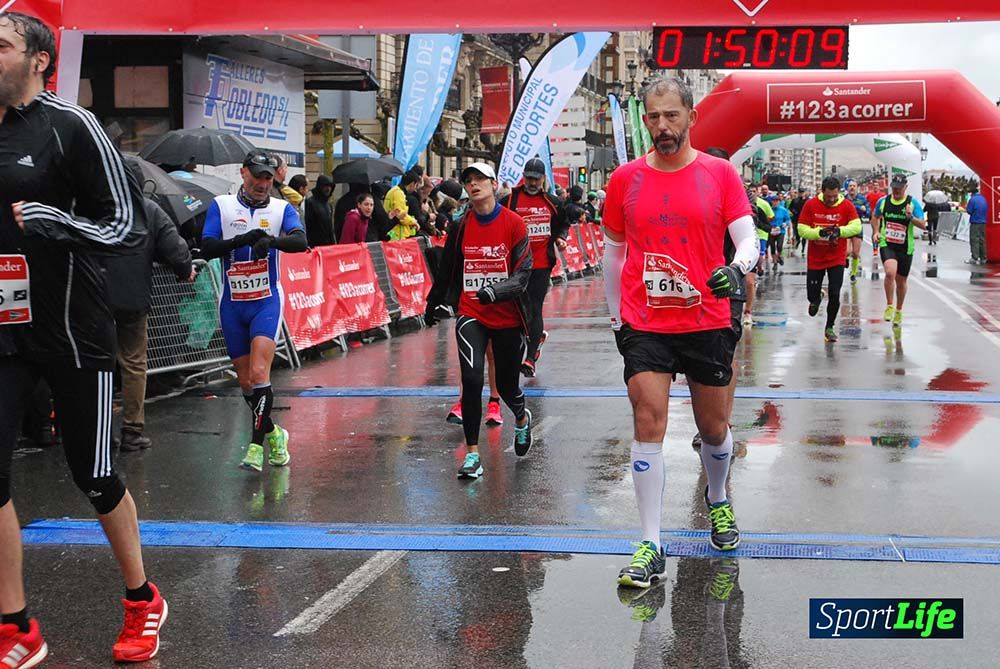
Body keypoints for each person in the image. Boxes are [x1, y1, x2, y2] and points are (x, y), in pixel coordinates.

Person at [0, 12, 167, 665]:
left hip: (72, 328)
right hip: (4, 328)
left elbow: (126, 226)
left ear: (39, 59)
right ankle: (16, 627)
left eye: (2, 46)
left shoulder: (72, 126)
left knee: (93, 473)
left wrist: (56, 222)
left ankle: (142, 597)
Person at [601, 76, 758, 589]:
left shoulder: (720, 173)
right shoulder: (625, 179)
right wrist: (616, 318)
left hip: (706, 318)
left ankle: (718, 498)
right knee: (648, 420)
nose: (662, 126)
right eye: (653, 117)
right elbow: (613, 254)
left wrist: (736, 268)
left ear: (692, 116)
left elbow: (748, 239)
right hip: (645, 321)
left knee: (713, 429)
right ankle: (650, 543)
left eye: (671, 115)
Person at [424, 162, 535, 479]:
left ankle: (521, 417)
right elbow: (447, 269)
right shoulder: (460, 226)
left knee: (507, 386)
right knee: (472, 380)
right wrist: (432, 303)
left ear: (494, 184)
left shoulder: (514, 224)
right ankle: (472, 454)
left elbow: (523, 275)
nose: (473, 185)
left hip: (508, 317)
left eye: (480, 179)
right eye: (468, 180)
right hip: (471, 313)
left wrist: (495, 292)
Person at [200, 150, 307, 472]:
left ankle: (256, 448)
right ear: (243, 173)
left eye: (268, 178)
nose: (262, 184)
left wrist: (272, 242)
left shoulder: (281, 208)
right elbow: (207, 247)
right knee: (247, 382)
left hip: (266, 301)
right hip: (233, 304)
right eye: (257, 177)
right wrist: (240, 241)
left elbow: (300, 241)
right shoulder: (221, 206)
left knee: (260, 374)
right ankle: (274, 433)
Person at [107, 185, 195, 451]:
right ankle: (132, 430)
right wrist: (185, 269)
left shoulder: (95, 205)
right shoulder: (149, 210)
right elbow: (175, 248)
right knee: (134, 364)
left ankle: (101, 432)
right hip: (133, 298)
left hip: (95, 296)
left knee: (99, 365)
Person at [499, 157, 569, 377]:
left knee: (534, 308)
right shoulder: (510, 200)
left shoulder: (553, 202)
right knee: (517, 310)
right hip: (516, 266)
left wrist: (561, 238)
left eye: (536, 179)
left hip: (541, 265)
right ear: (523, 177)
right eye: (529, 178)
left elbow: (563, 224)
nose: (532, 183)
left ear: (543, 179)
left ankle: (530, 358)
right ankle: (534, 339)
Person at [796, 176, 862, 343]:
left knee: (835, 293)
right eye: (828, 196)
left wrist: (840, 231)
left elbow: (857, 226)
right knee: (811, 296)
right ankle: (816, 297)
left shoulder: (846, 205)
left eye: (834, 196)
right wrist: (819, 233)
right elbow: (801, 229)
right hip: (816, 257)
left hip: (836, 257)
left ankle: (829, 327)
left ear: (839, 192)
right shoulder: (811, 204)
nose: (831, 199)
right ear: (822, 191)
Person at [871, 174, 927, 327]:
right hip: (887, 243)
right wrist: (876, 232)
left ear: (905, 187)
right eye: (894, 187)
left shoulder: (912, 203)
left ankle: (899, 310)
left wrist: (910, 217)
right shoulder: (883, 202)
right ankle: (889, 305)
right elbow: (875, 217)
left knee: (901, 282)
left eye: (899, 188)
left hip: (905, 247)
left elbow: (923, 225)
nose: (896, 191)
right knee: (890, 272)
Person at [844, 180, 870, 283]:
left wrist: (865, 210)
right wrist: (859, 208)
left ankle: (853, 274)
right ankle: (845, 260)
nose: (852, 188)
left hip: (857, 226)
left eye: (854, 186)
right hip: (846, 226)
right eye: (850, 186)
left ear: (857, 188)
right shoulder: (843, 199)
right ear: (847, 188)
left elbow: (868, 212)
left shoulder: (862, 199)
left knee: (855, 253)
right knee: (847, 251)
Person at [384, 171, 421, 240]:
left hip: (392, 232)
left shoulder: (394, 190)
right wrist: (413, 222)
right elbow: (401, 215)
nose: (415, 189)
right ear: (412, 184)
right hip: (396, 235)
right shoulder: (399, 193)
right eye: (416, 185)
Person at [303, 174, 335, 247]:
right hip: (314, 245)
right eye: (326, 186)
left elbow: (330, 229)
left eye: (330, 186)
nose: (328, 189)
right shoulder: (310, 203)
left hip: (327, 246)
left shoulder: (329, 205)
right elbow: (307, 225)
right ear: (320, 187)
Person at [966, 189, 988, 264]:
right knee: (982, 239)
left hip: (975, 221)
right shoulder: (983, 199)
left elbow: (969, 211)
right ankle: (983, 257)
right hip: (983, 222)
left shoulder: (972, 200)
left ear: (972, 193)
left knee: (974, 239)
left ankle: (974, 257)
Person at [769, 196, 790, 272]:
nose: (775, 202)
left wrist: (785, 223)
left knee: (779, 246)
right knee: (772, 247)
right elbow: (765, 219)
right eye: (774, 201)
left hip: (781, 230)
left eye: (777, 201)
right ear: (771, 202)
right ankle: (775, 263)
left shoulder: (783, 210)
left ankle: (778, 256)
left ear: (779, 202)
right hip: (771, 230)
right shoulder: (769, 209)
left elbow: (788, 219)